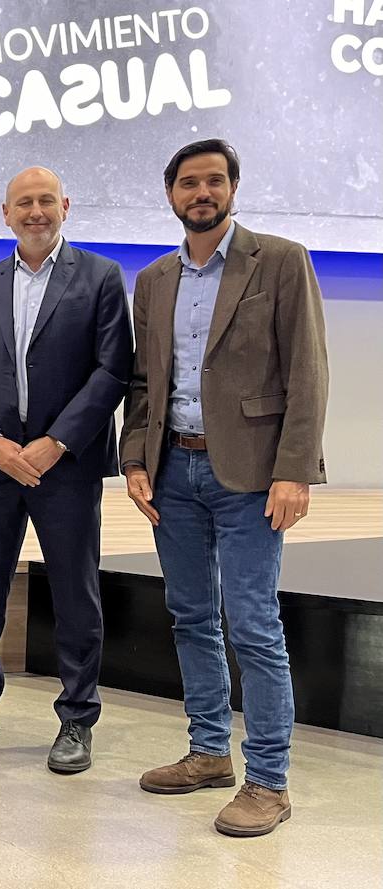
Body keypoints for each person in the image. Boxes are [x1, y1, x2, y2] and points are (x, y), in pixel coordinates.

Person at [121, 139, 328, 837]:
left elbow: (308, 369)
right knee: (189, 614)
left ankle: (269, 780)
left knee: (252, 620)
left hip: (250, 474)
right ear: (171, 194)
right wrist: (135, 459)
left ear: (233, 188)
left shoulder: (281, 260)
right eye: (188, 182)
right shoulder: (153, 279)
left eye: (213, 181)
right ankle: (209, 752)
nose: (200, 192)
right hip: (173, 472)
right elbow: (145, 382)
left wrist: (294, 468)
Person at [0, 166, 132, 774]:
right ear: (5, 214)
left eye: (45, 200)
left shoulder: (100, 277)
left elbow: (112, 372)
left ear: (65, 206)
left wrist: (57, 442)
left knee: (75, 593)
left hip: (66, 466)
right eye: (22, 203)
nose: (35, 211)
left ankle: (78, 716)